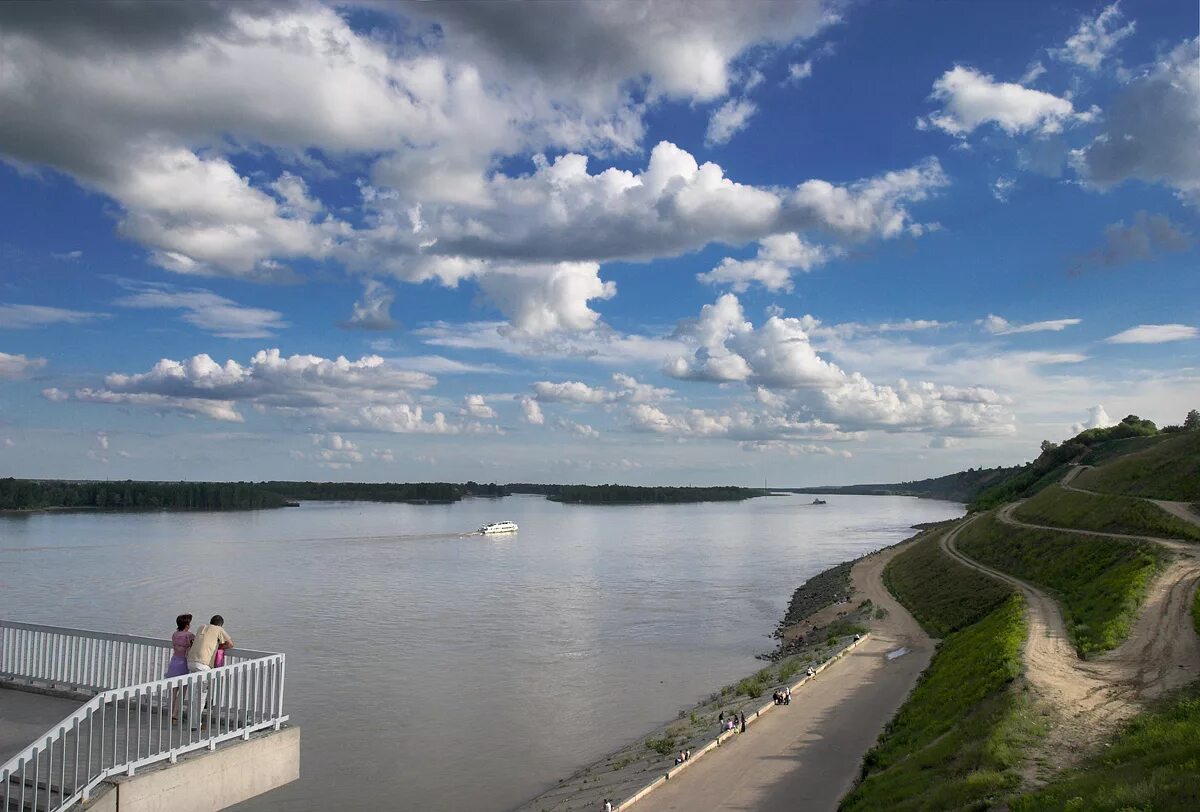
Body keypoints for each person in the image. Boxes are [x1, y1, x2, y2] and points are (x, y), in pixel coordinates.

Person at [187, 614, 234, 727]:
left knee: (194, 694)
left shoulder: (201, 627)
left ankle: (192, 721)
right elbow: (230, 644)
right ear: (221, 624)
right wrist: (218, 647)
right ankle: (195, 724)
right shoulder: (219, 629)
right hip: (203, 666)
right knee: (201, 696)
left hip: (191, 662)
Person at [165, 613, 194, 724]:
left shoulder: (174, 634)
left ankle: (170, 713)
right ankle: (175, 715)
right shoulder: (189, 635)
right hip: (183, 662)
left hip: (174, 661)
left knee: (173, 691)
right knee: (182, 691)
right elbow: (195, 645)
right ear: (187, 624)